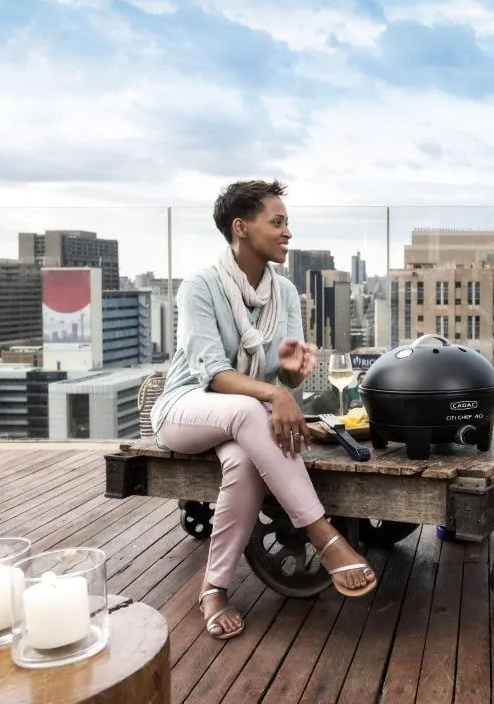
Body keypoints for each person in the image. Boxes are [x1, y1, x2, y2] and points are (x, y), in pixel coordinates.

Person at [151, 179, 377, 641]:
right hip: (186, 408)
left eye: (286, 222)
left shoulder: (285, 293)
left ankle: (213, 589)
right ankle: (324, 536)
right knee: (252, 412)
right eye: (277, 222)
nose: (287, 232)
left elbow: (286, 380)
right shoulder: (200, 287)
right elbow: (213, 375)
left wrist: (291, 372)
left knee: (243, 462)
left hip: (242, 421)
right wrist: (275, 395)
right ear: (241, 227)